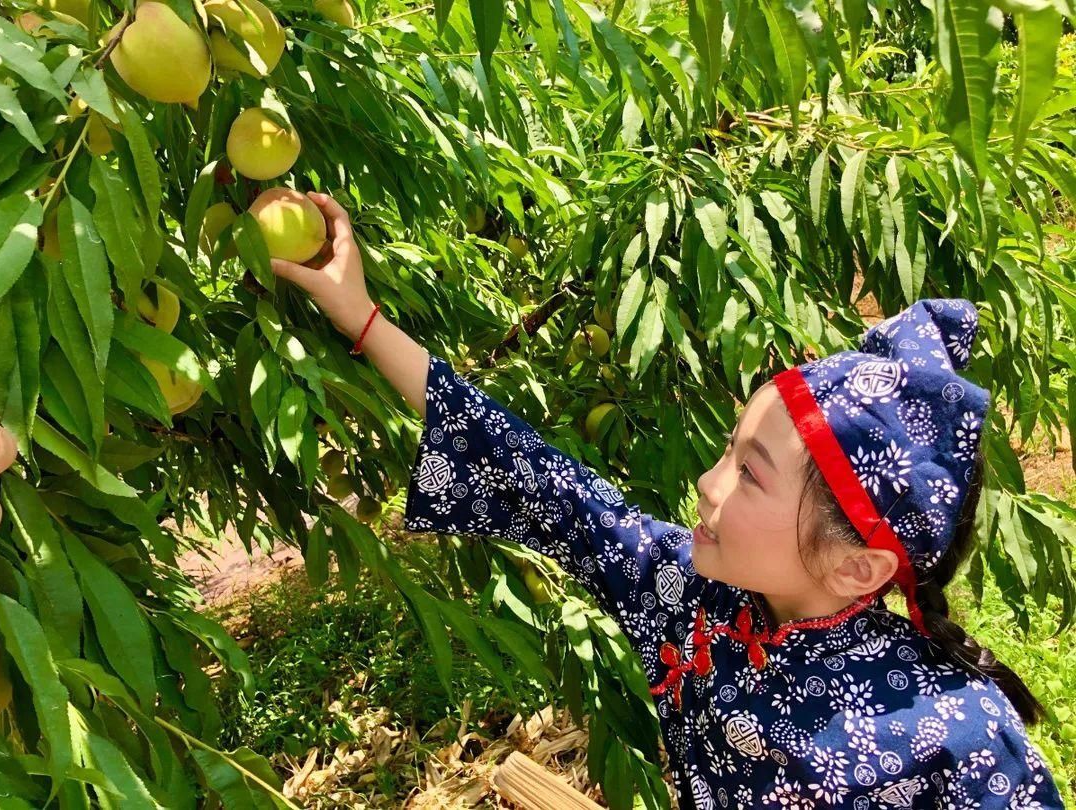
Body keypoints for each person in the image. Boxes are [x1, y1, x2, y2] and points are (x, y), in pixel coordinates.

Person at [272, 192, 1064, 809]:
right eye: (728, 448)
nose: (707, 483)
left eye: (750, 473)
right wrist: (361, 316)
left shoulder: (956, 734)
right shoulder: (700, 599)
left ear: (859, 567)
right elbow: (542, 482)